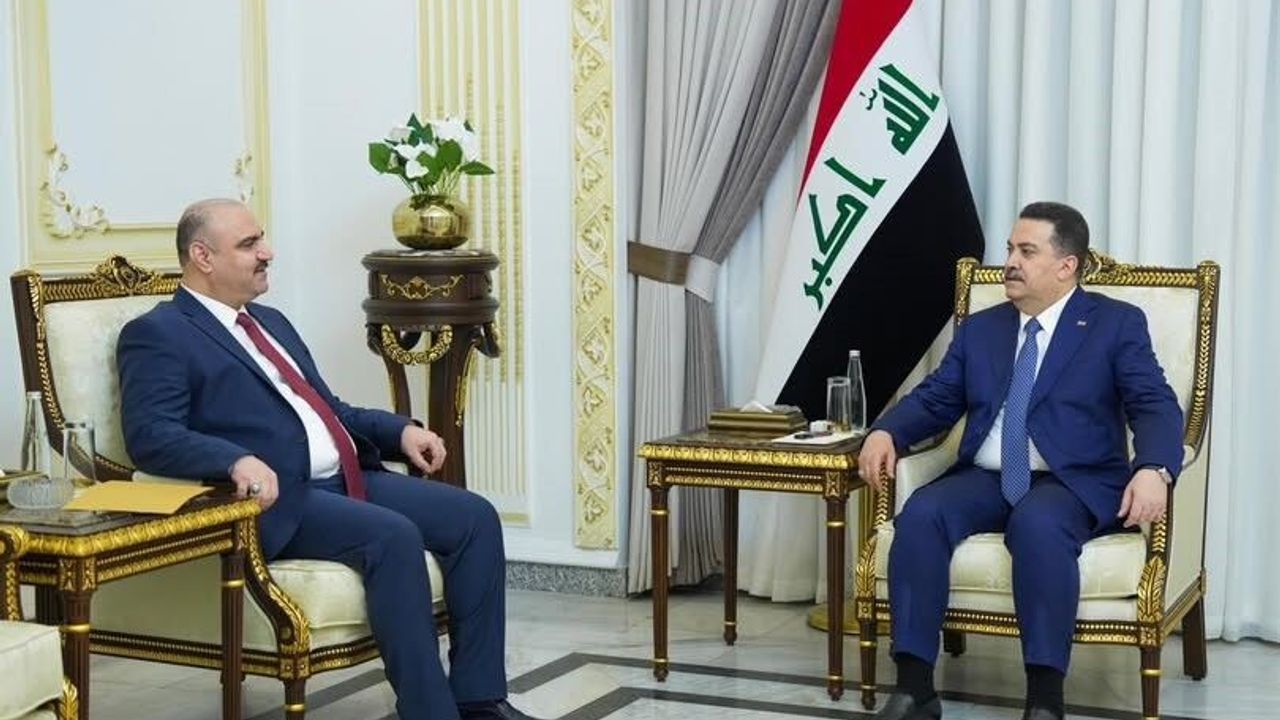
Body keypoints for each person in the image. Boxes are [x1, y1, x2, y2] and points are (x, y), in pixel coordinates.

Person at [117, 198, 540, 720]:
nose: (267, 252)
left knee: (474, 517)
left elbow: (328, 409)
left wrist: (399, 431)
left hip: (345, 476)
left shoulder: (270, 322)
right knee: (393, 536)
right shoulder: (159, 333)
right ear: (203, 257)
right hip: (279, 500)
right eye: (249, 244)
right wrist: (234, 460)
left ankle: (479, 702)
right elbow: (151, 435)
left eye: (261, 238)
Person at [859, 202, 1184, 720]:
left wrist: (1154, 468)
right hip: (987, 476)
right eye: (1011, 249)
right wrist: (887, 430)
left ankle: (1044, 700)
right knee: (921, 513)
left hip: (1071, 480)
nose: (1010, 261)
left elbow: (1154, 404)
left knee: (1038, 524)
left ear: (1066, 265)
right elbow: (939, 397)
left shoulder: (1114, 324)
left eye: (1027, 251)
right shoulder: (982, 329)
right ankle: (915, 689)